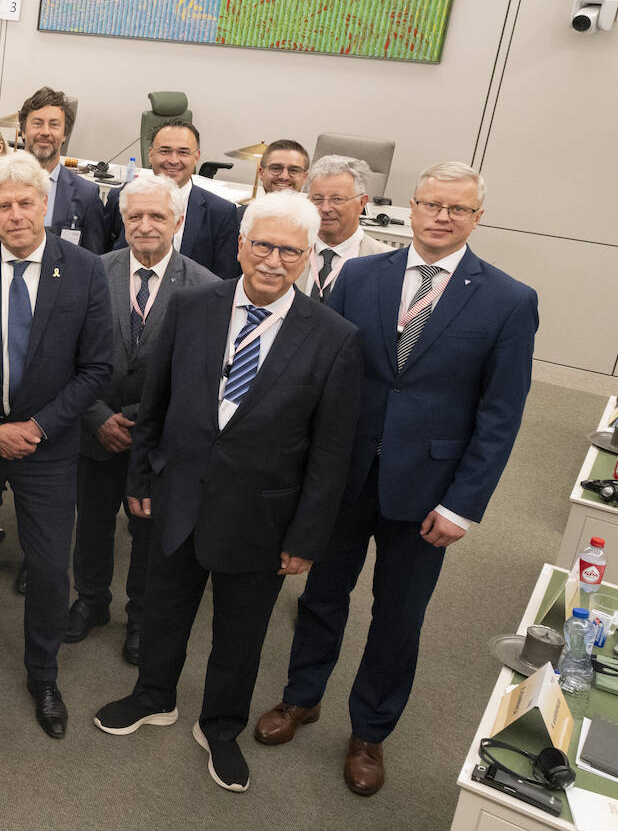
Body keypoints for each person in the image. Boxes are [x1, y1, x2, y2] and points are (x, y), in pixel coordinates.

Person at [256, 162, 537, 796]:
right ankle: (301, 697)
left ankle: (370, 731)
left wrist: (464, 505)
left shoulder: (508, 300)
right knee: (321, 597)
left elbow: (500, 415)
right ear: (410, 207)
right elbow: (323, 374)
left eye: (457, 209)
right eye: (432, 204)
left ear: (477, 218)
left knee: (398, 617)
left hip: (429, 492)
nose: (442, 217)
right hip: (346, 476)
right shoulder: (360, 276)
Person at [92, 192, 360, 794]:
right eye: (261, 245)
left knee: (241, 634)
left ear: (308, 258)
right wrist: (140, 478)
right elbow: (156, 402)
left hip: (262, 517)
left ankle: (220, 726)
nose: (272, 260)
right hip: (178, 496)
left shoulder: (334, 338)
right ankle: (153, 696)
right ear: (241, 245)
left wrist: (306, 538)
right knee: (163, 609)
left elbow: (330, 453)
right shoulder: (192, 306)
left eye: (289, 251)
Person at [0, 151, 113, 739]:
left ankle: (44, 673)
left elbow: (97, 368)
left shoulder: (85, 271)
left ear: (46, 203)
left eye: (25, 203)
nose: (15, 215)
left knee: (49, 566)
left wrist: (36, 428)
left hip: (49, 447)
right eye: (3, 205)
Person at [69, 173, 217, 666]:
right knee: (91, 525)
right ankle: (91, 600)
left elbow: (199, 375)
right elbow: (66, 352)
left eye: (157, 215)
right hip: (94, 428)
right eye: (135, 215)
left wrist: (138, 421)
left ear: (179, 220)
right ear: (123, 220)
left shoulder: (206, 287)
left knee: (148, 532)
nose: (146, 225)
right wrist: (97, 416)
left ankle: (140, 617)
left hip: (159, 441)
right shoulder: (92, 271)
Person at [103, 121, 238, 278]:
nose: (173, 160)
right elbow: (102, 261)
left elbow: (223, 281)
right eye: (165, 151)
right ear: (150, 154)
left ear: (196, 157)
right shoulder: (120, 198)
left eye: (183, 152)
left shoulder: (221, 213)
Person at [18, 87, 106, 253]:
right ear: (23, 131)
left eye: (54, 125)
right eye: (37, 123)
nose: (45, 132)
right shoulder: (0, 185)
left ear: (65, 134)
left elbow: (94, 259)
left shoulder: (86, 195)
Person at [301, 154, 393, 299]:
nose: (325, 208)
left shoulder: (387, 262)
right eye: (317, 199)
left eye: (337, 199)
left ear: (362, 203)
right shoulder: (287, 251)